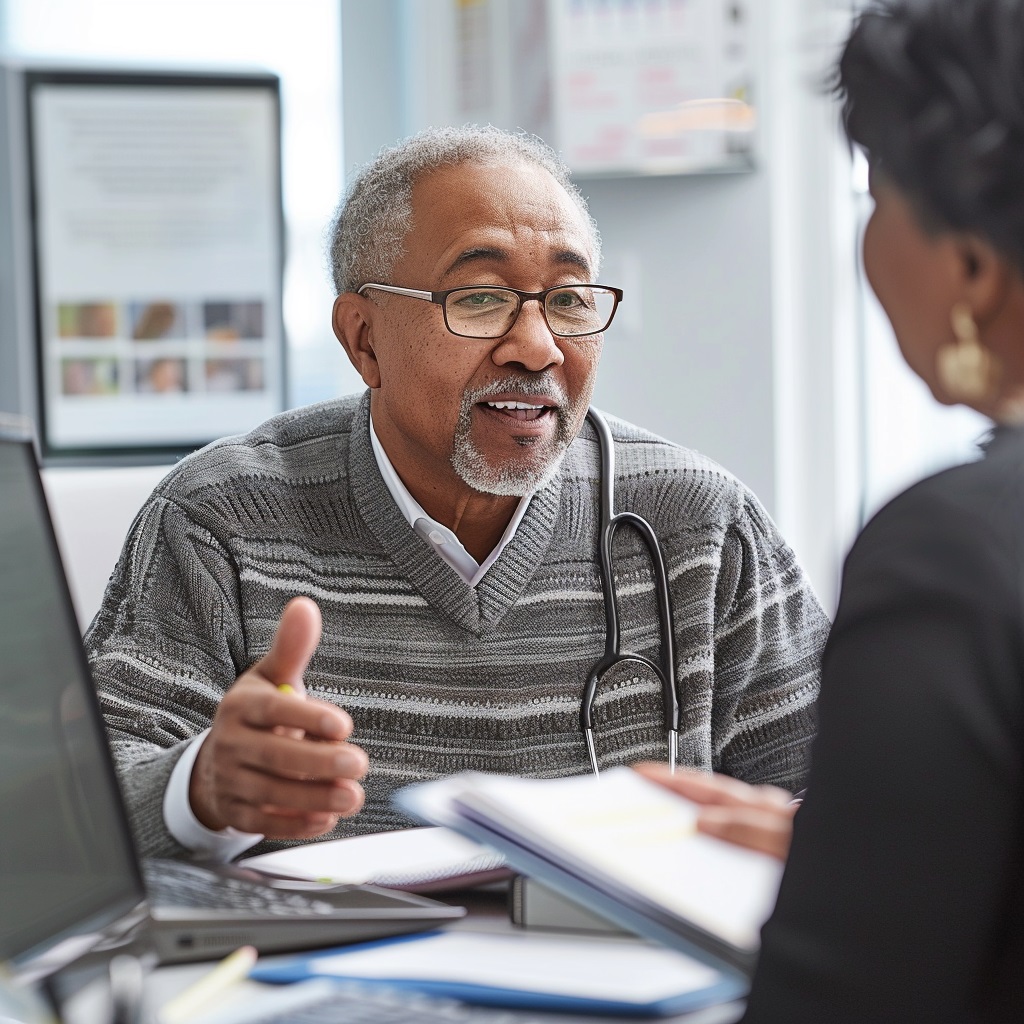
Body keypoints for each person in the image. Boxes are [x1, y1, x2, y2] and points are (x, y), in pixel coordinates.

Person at [86, 125, 828, 862]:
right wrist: (199, 787)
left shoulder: (699, 525)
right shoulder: (220, 520)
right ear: (364, 339)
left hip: (637, 975)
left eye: (568, 301)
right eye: (480, 299)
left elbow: (851, 801)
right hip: (320, 977)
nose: (538, 347)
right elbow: (72, 809)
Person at [642, 1, 1024, 1019]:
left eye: (874, 195)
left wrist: (859, 894)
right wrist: (881, 853)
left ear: (971, 269)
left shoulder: (954, 551)